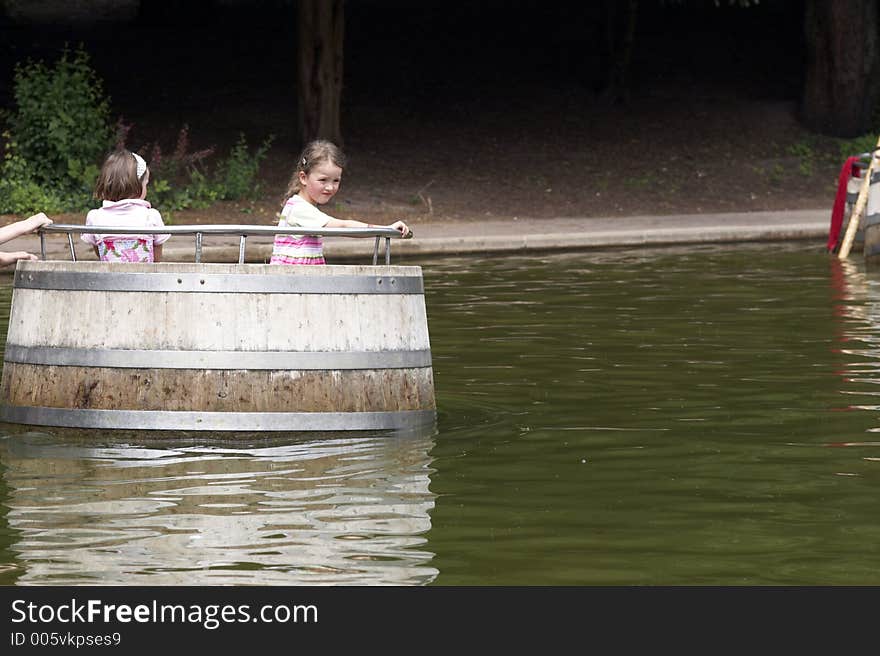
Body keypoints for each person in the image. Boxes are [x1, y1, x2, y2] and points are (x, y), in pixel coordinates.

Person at [270, 140, 410, 265]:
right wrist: (386, 229)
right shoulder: (300, 209)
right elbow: (344, 225)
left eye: (335, 180)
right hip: (291, 284)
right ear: (303, 178)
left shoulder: (300, 205)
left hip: (300, 282)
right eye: (323, 180)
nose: (330, 187)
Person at [82, 149, 170, 262]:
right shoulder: (151, 216)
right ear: (137, 185)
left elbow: (99, 252)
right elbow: (157, 259)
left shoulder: (95, 217)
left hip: (109, 278)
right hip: (145, 279)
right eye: (145, 183)